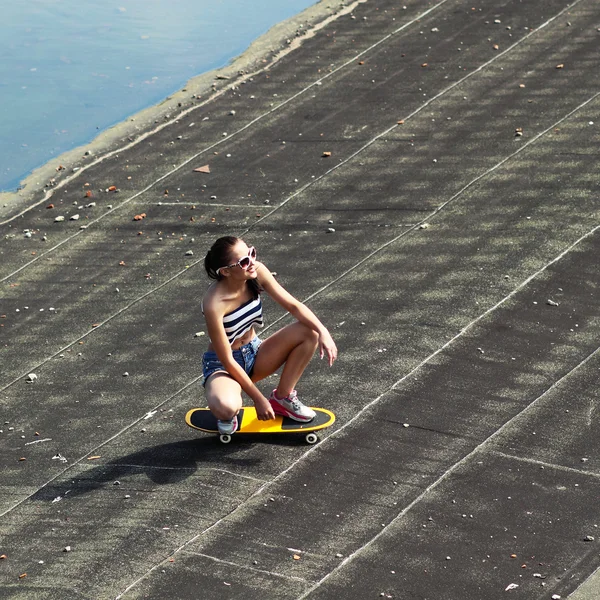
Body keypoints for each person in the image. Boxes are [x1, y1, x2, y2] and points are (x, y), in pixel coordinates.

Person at [201, 236, 337, 435]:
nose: (252, 262)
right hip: (224, 366)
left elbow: (294, 306)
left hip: (255, 353)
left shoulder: (257, 272)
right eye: (244, 261)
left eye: (252, 253)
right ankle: (226, 411)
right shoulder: (213, 303)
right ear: (226, 271)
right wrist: (258, 399)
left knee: (309, 332)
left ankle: (283, 398)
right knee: (227, 408)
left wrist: (323, 331)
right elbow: (227, 360)